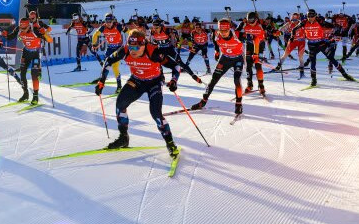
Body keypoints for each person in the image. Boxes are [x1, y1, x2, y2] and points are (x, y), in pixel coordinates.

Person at [95, 29, 201, 157]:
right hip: (137, 81)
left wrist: (174, 81)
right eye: (131, 46)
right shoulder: (125, 50)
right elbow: (108, 61)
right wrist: (102, 81)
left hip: (154, 82)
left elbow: (176, 66)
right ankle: (123, 137)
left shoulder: (154, 52)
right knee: (120, 104)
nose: (133, 50)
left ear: (144, 44)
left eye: (136, 47)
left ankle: (170, 144)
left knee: (156, 113)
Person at [191, 18, 246, 115]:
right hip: (225, 59)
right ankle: (203, 102)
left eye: (225, 31)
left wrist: (255, 54)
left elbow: (254, 38)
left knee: (237, 80)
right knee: (213, 80)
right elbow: (216, 43)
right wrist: (217, 51)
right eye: (221, 30)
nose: (223, 33)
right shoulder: (215, 34)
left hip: (238, 59)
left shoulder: (237, 35)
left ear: (229, 29)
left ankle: (238, 103)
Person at [292, 9, 355, 87]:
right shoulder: (304, 22)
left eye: (312, 16)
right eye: (309, 16)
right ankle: (313, 80)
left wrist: (338, 29)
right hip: (311, 45)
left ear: (315, 16)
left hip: (321, 44)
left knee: (331, 58)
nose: (310, 18)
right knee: (313, 62)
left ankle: (345, 75)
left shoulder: (319, 21)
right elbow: (294, 29)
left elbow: (333, 26)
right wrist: (292, 37)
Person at [15, 16, 53, 105]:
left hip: (35, 53)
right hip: (26, 53)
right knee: (22, 73)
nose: (22, 29)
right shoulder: (20, 33)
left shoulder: (36, 32)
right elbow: (20, 39)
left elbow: (50, 40)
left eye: (24, 28)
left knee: (34, 75)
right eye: (21, 28)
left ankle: (35, 96)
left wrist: (44, 34)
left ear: (29, 26)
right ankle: (25, 94)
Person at [238, 11, 271, 96]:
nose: (251, 22)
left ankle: (261, 85)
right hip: (249, 45)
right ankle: (250, 84)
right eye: (249, 20)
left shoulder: (260, 25)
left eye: (253, 20)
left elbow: (270, 29)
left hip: (259, 46)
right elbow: (237, 32)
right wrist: (242, 23)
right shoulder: (246, 24)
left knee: (258, 65)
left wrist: (274, 32)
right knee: (248, 65)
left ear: (256, 19)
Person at [91, 13, 125, 93]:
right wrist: (94, 44)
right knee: (105, 65)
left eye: (110, 21)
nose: (108, 23)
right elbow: (95, 34)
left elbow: (129, 32)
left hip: (118, 48)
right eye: (107, 21)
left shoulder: (118, 26)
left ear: (113, 21)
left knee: (115, 67)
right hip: (110, 48)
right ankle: (101, 80)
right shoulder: (103, 27)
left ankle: (119, 86)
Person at [274, 12, 307, 78]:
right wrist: (278, 32)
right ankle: (278, 66)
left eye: (295, 20)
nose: (294, 22)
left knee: (300, 56)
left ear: (298, 19)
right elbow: (282, 28)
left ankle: (302, 71)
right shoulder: (289, 23)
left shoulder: (302, 24)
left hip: (301, 41)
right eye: (293, 20)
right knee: (285, 54)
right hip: (293, 41)